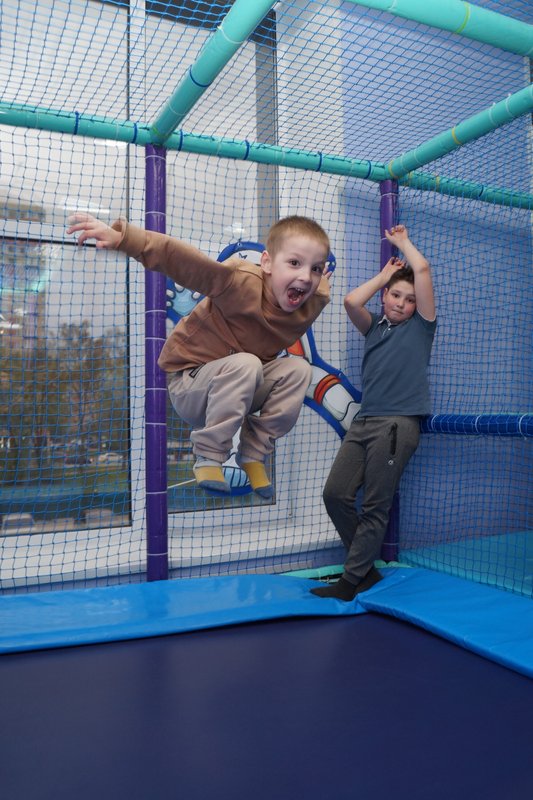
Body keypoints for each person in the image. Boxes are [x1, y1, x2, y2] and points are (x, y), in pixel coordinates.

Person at [67, 212, 332, 497]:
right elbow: (185, 262)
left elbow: (317, 284)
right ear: (266, 262)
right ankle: (209, 456)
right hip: (191, 385)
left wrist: (316, 276)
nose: (305, 277)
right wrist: (125, 239)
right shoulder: (239, 281)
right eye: (294, 263)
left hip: (242, 385)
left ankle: (253, 455)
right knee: (247, 363)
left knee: (298, 370)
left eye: (315, 269)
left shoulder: (314, 298)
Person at [311, 224, 436, 600]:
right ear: (384, 296)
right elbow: (351, 301)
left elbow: (422, 269)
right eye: (395, 295)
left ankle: (351, 582)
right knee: (335, 494)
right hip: (363, 422)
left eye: (409, 299)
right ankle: (364, 571)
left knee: (375, 506)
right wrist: (384, 276)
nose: (401, 303)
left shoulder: (421, 328)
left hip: (396, 425)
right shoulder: (374, 329)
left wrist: (402, 243)